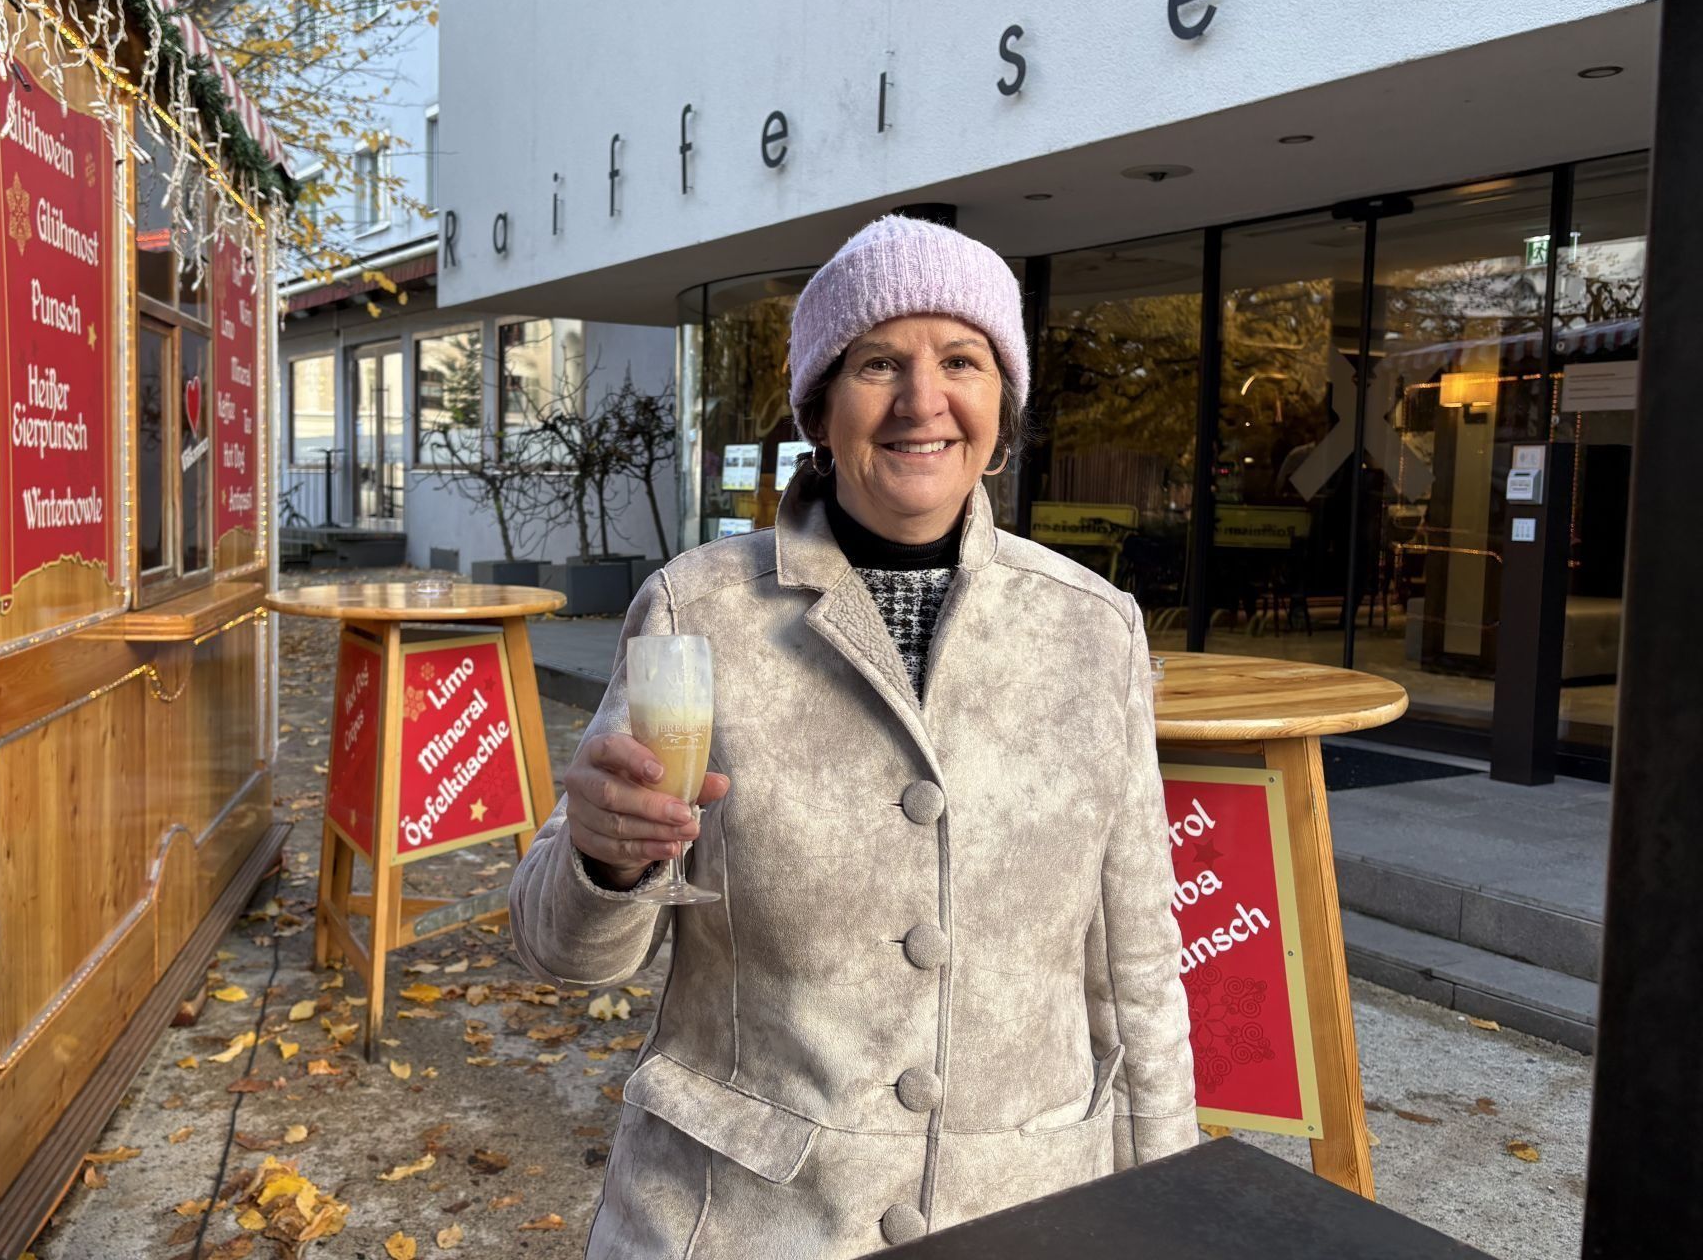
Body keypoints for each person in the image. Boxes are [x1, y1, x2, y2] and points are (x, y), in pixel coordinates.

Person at [509, 215, 1196, 1257]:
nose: (923, 400)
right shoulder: (697, 610)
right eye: (880, 361)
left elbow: (1134, 968)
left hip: (1018, 1204)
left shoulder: (1091, 629)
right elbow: (563, 951)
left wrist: (1165, 1211)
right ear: (821, 409)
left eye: (959, 360)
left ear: (998, 405)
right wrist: (600, 858)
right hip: (746, 1219)